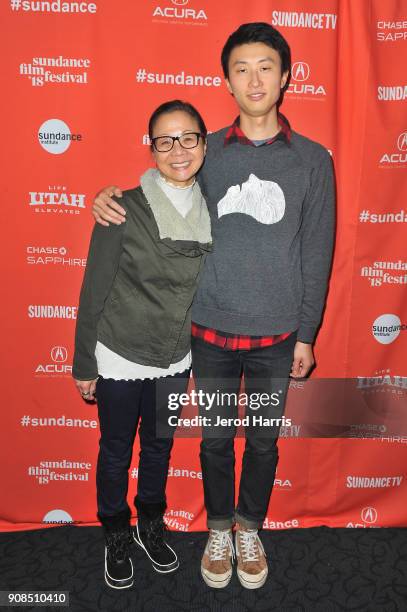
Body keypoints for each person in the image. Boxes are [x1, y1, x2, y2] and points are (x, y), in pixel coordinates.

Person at [92, 22, 335, 590]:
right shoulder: (206, 155)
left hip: (278, 336)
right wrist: (106, 196)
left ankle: (250, 527)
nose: (254, 79)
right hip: (210, 333)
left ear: (286, 77)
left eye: (266, 67)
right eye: (242, 68)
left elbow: (317, 252)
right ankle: (219, 530)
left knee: (265, 442)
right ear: (226, 80)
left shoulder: (312, 160)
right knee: (218, 441)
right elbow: (160, 188)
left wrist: (307, 334)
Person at [72, 99, 211, 590]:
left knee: (158, 447)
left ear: (204, 143)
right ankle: (115, 531)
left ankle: (150, 523)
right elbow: (94, 289)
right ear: (151, 149)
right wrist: (83, 362)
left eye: (188, 138)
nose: (178, 150)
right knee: (115, 450)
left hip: (176, 355)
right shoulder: (122, 207)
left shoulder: (216, 209)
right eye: (165, 140)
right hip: (120, 354)